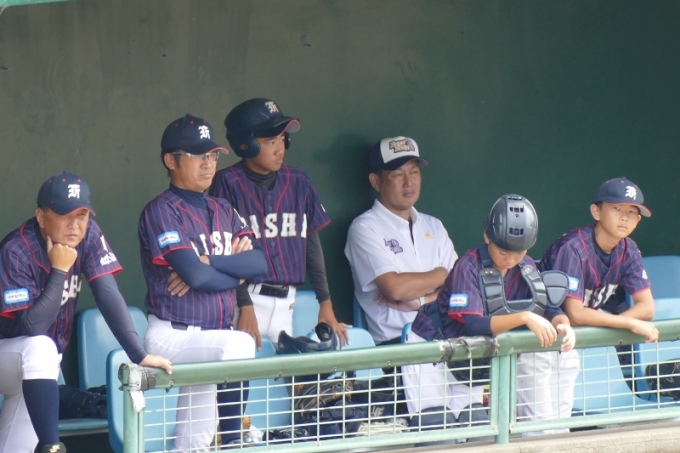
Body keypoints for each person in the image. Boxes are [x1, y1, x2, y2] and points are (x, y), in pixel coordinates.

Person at [0, 171, 171, 453]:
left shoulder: (88, 234)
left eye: (82, 215)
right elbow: (33, 326)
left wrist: (139, 354)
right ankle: (52, 446)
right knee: (41, 346)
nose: (75, 225)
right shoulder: (16, 250)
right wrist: (59, 270)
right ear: (41, 216)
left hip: (35, 368)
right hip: (10, 353)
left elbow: (107, 293)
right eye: (64, 215)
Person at [138, 114, 268, 450]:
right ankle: (233, 441)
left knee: (192, 444)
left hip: (211, 339)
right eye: (198, 155)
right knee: (239, 344)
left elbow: (259, 262)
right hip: (174, 335)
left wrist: (213, 263)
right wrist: (234, 271)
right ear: (171, 161)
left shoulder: (223, 208)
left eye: (212, 155)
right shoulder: (161, 211)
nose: (208, 163)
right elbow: (194, 275)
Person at [402, 194, 577, 437]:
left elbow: (549, 308)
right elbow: (475, 324)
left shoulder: (525, 266)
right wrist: (525, 317)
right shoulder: (468, 265)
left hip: (470, 357)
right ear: (487, 237)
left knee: (477, 429)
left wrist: (563, 324)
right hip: (432, 347)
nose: (510, 259)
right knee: (433, 425)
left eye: (518, 252)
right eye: (504, 251)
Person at [209, 98, 349, 347]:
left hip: (287, 302)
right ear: (246, 144)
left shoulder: (299, 181)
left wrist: (325, 303)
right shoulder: (227, 183)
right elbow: (225, 253)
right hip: (246, 300)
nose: (280, 148)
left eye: (282, 139)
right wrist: (244, 305)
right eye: (270, 141)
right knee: (242, 368)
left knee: (285, 369)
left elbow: (311, 246)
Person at [539, 176, 658, 393]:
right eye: (617, 208)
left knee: (563, 409)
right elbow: (575, 314)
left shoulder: (629, 249)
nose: (625, 217)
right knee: (541, 410)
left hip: (570, 339)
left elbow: (647, 307)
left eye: (632, 212)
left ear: (638, 220)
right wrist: (628, 323)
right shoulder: (574, 248)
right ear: (596, 212)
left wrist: (615, 324)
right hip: (539, 337)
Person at [344, 136, 457, 345]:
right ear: (376, 182)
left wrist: (421, 301)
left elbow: (459, 287)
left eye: (414, 172)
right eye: (398, 174)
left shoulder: (434, 225)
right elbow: (395, 288)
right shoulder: (364, 227)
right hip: (398, 346)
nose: (409, 182)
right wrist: (442, 274)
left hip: (445, 338)